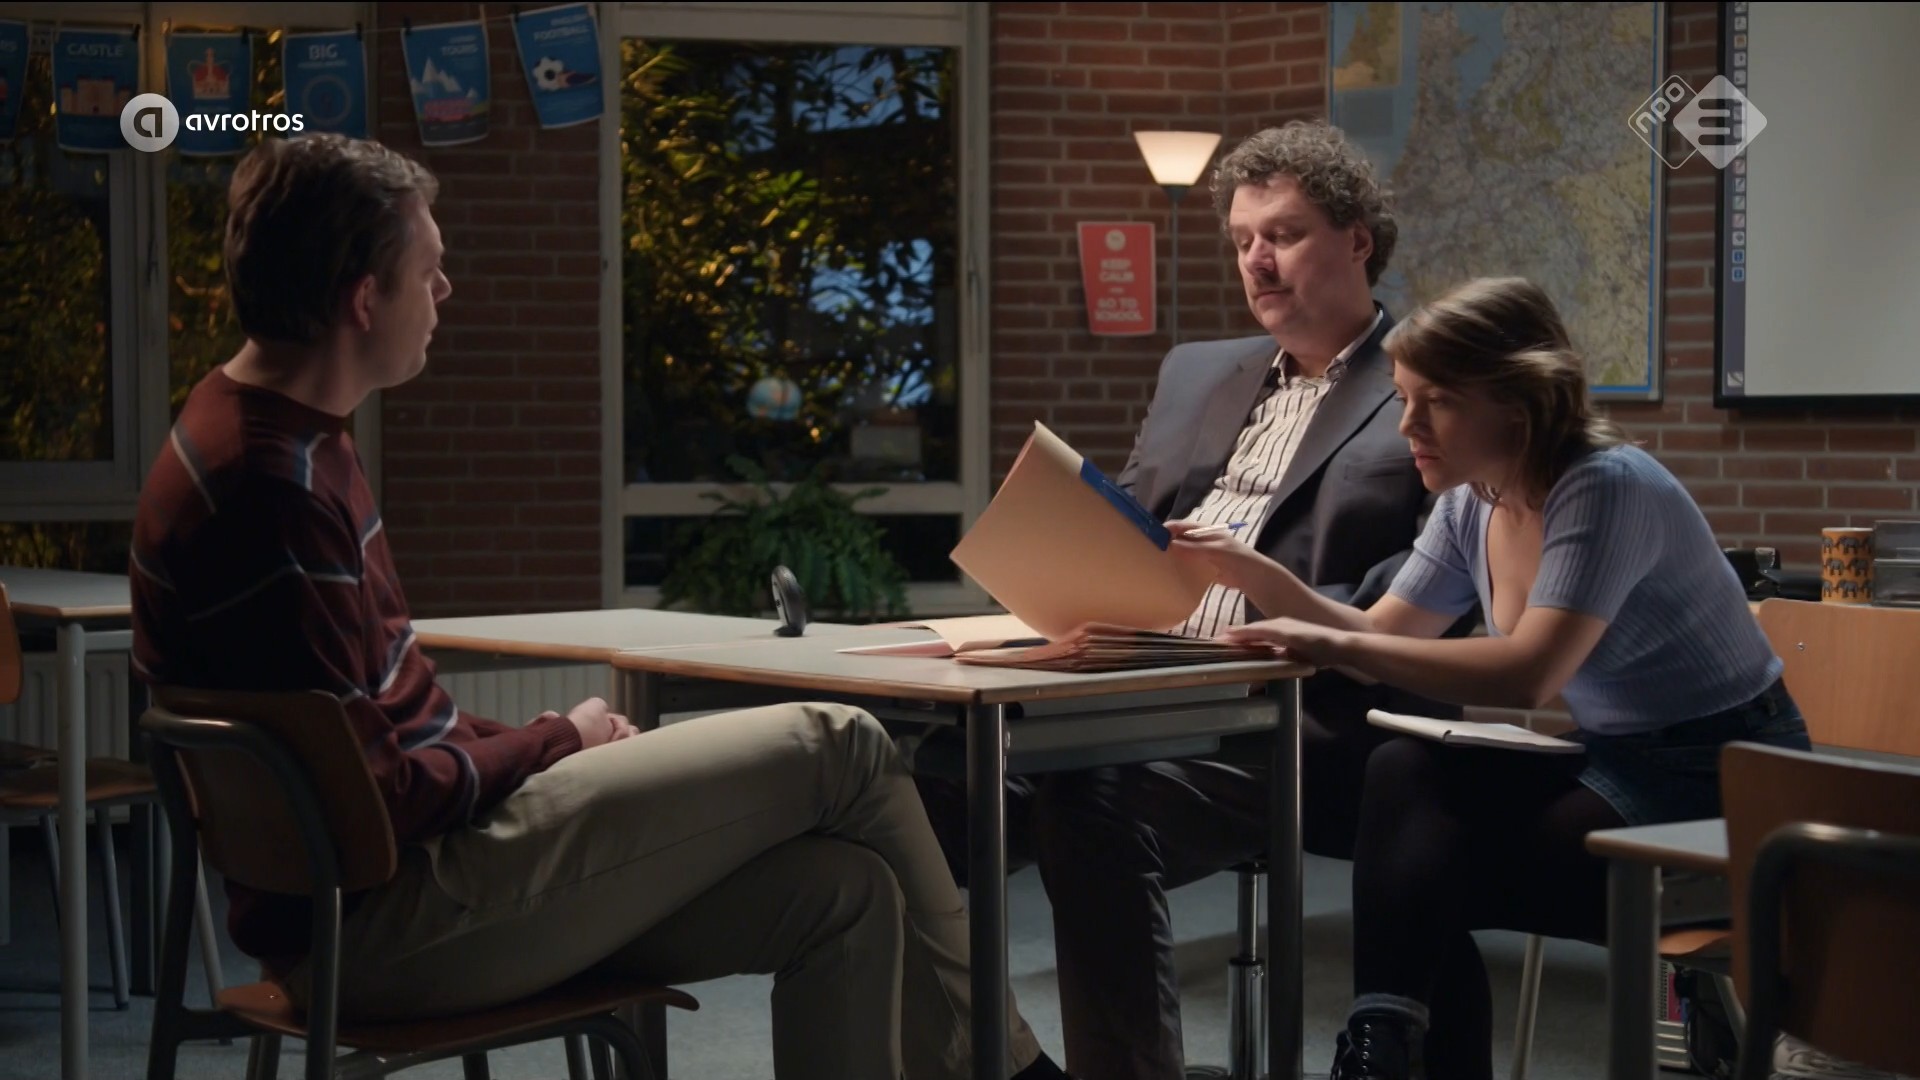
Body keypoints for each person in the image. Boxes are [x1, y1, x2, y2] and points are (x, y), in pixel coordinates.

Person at [127, 133, 1071, 1080]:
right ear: (363, 298)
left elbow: (386, 733)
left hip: (394, 894)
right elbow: (385, 794)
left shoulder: (262, 432)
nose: (445, 290)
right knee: (844, 743)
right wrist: (554, 740)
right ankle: (1015, 1069)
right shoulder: (274, 489)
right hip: (382, 929)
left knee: (844, 890)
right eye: (428, 270)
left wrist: (543, 746)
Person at [911, 119, 1470, 1080]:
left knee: (1091, 806)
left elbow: (1428, 594)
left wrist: (1264, 607)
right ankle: (1002, 1061)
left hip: (1307, 718)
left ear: (1357, 241)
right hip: (1131, 682)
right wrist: (1060, 559)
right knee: (922, 791)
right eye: (1244, 239)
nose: (1257, 260)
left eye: (1283, 234)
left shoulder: (1425, 381)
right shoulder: (1198, 370)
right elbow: (1124, 526)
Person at [1175, 276, 1814, 1080]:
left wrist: (1326, 643)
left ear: (1518, 404)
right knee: (1403, 773)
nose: (1408, 424)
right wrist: (1253, 572)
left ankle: (1380, 1055)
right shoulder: (1474, 499)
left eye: (1437, 401)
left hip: (1726, 780)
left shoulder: (1606, 485)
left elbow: (1529, 674)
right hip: (1617, 760)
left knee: (1427, 874)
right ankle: (1381, 1048)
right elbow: (1380, 636)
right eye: (1404, 398)